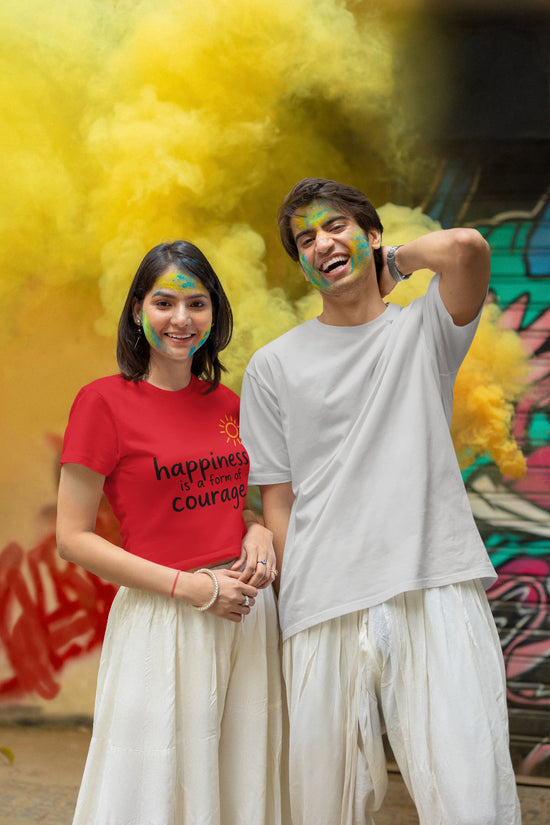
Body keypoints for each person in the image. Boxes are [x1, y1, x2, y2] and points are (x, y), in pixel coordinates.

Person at [239, 178, 521, 825]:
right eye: (305, 239)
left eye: (335, 226)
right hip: (323, 601)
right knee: (324, 806)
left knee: (470, 794)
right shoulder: (272, 366)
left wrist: (393, 263)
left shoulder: (425, 330)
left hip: (434, 584)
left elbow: (467, 247)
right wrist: (293, 605)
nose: (321, 243)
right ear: (300, 263)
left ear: (370, 234)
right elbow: (278, 500)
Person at [56, 241, 282, 825]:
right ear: (138, 311)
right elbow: (72, 538)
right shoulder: (102, 402)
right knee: (152, 787)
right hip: (165, 613)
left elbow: (223, 503)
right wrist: (193, 589)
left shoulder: (229, 404)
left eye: (196, 303)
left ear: (214, 312)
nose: (181, 319)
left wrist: (256, 530)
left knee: (239, 780)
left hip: (244, 614)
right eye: (164, 303)